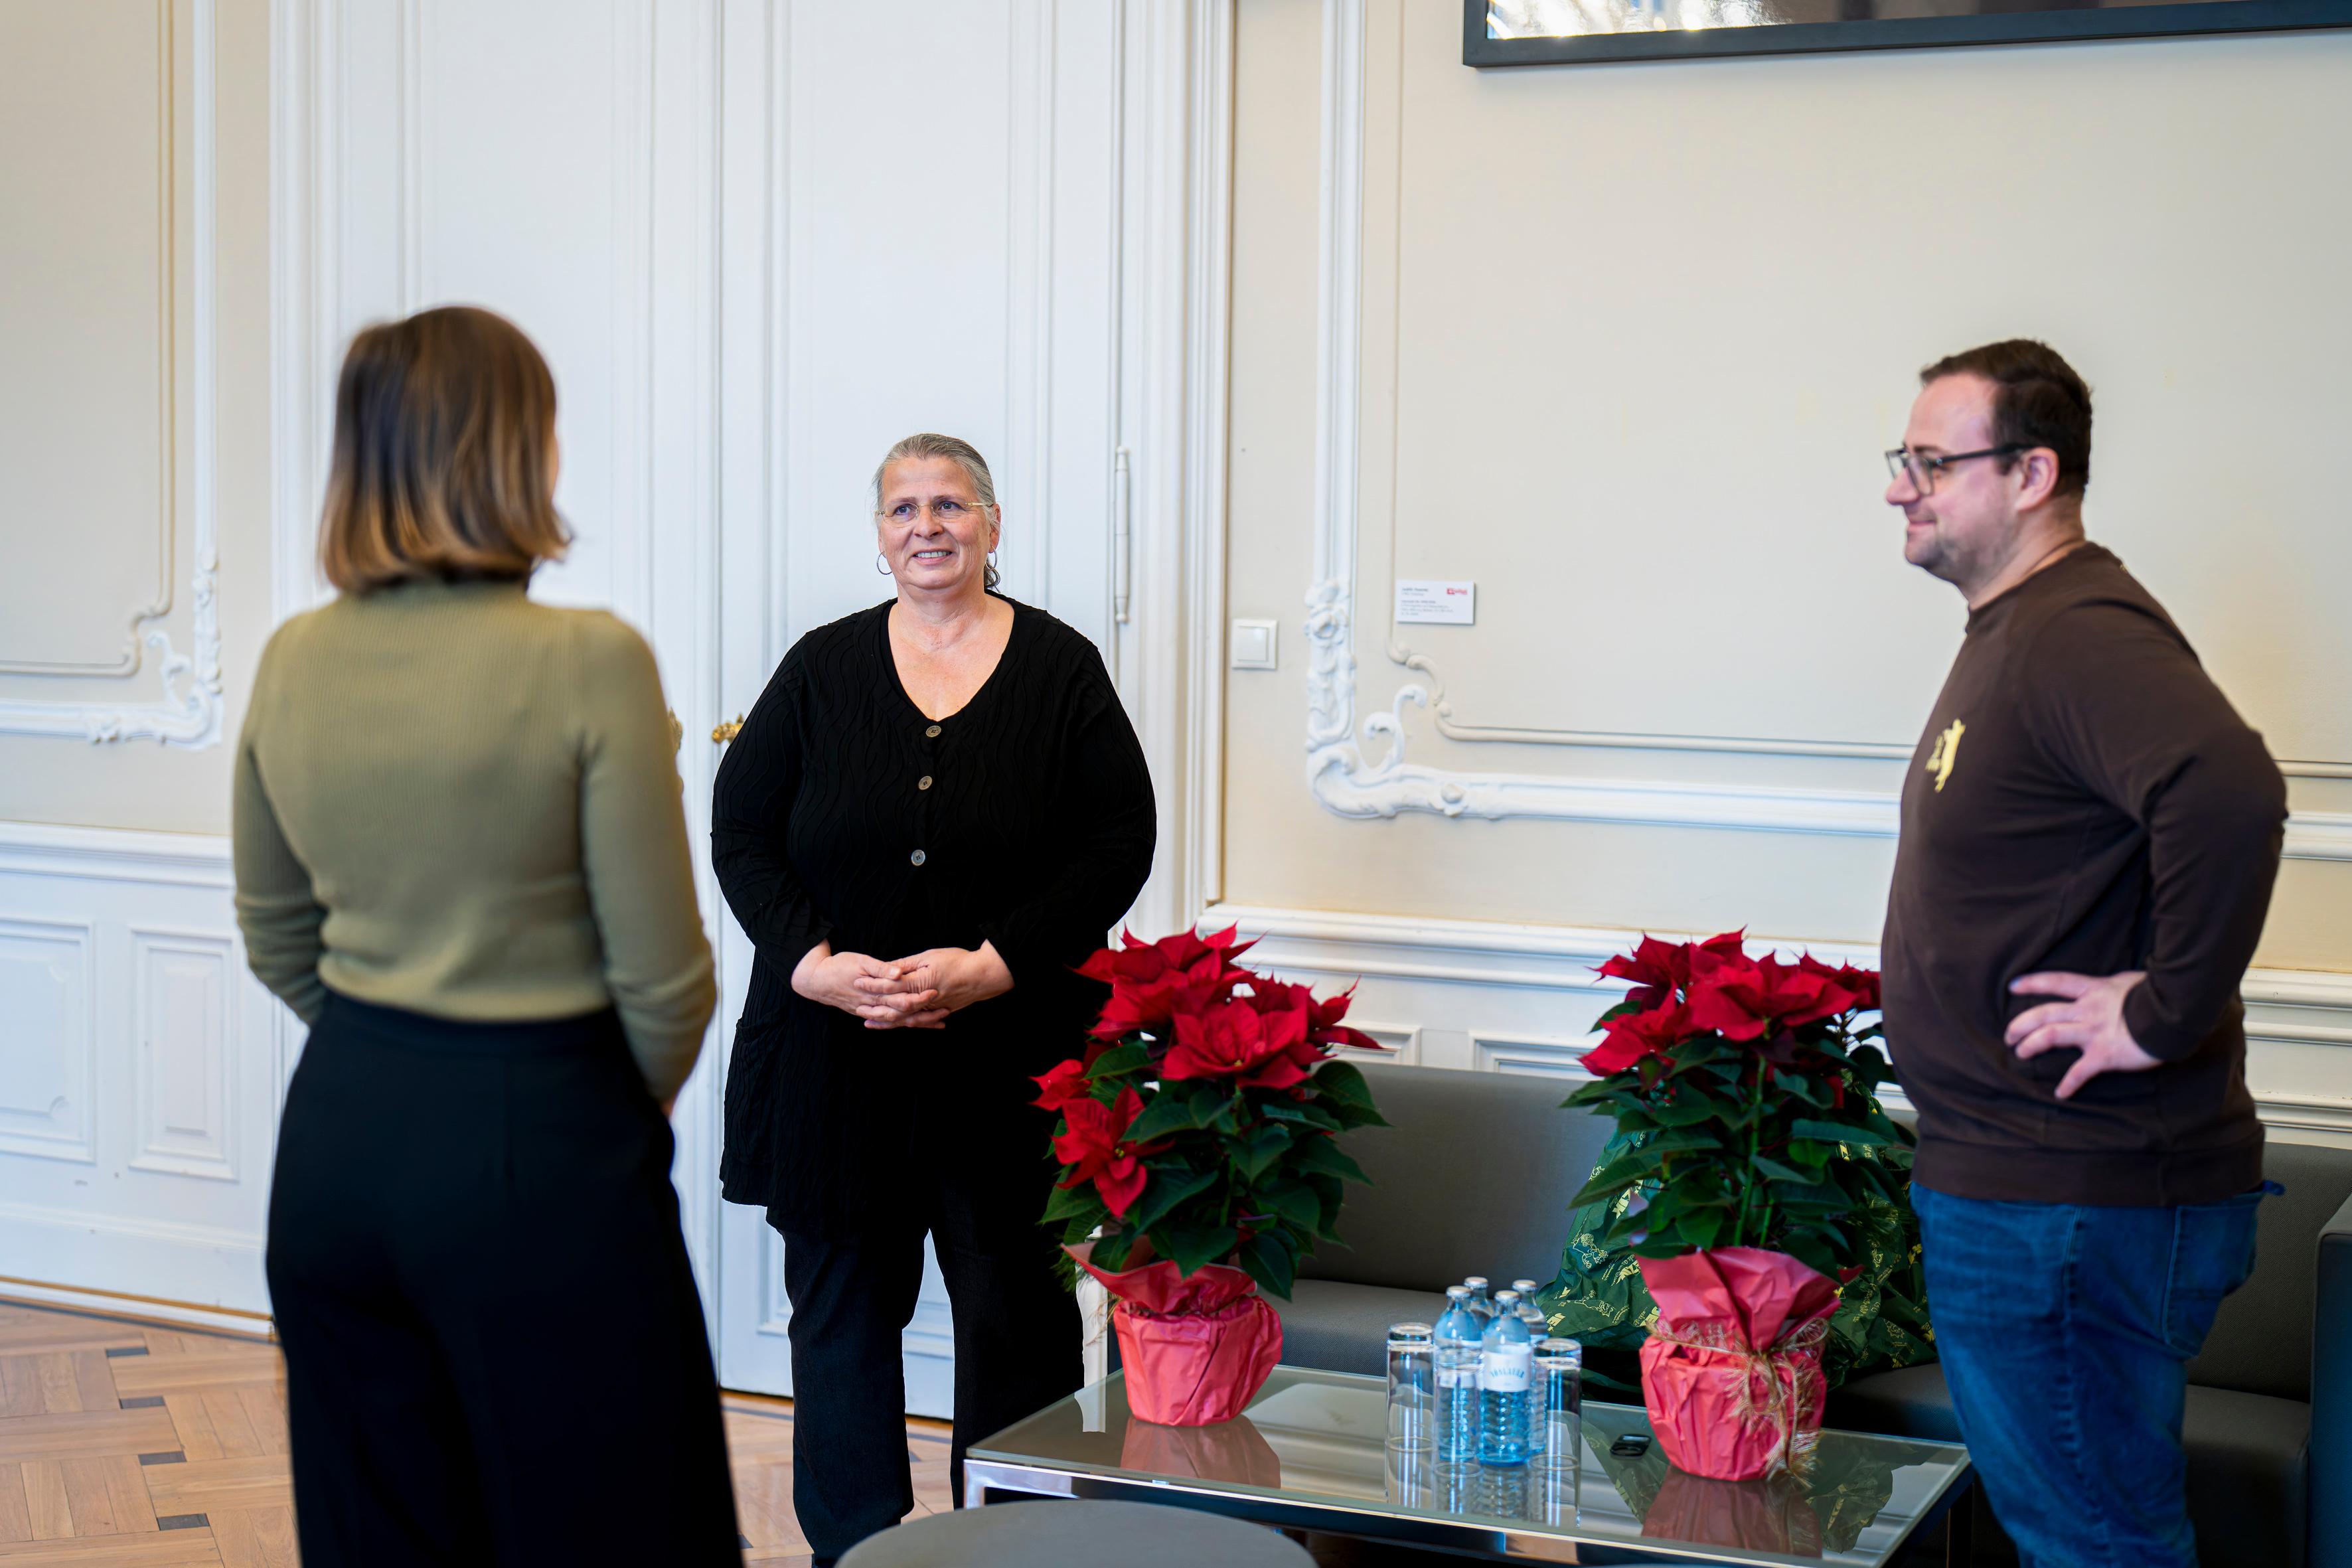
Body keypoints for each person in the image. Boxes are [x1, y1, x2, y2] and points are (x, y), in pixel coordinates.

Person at [235, 306, 739, 1565]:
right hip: (541, 1143)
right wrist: (584, 1113)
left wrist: (393, 1052)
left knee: (382, 1540)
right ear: (516, 450)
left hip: (339, 1134)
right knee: (613, 1534)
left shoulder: (292, 657)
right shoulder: (589, 660)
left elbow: (277, 935)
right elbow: (668, 983)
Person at [1878, 339, 2288, 1566]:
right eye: (1901, 459)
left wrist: (2158, 1013)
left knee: (2097, 1545)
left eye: (1932, 461)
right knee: (2082, 1533)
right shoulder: (2021, 627)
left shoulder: (2074, 630)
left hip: (2067, 1201)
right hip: (2033, 1193)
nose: (1901, 485)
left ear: (2031, 473)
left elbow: (2232, 792)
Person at [712, 432, 1156, 1564]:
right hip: (832, 1057)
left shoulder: (1060, 669)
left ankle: (1011, 1551)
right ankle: (853, 1550)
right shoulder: (819, 668)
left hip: (1009, 1060)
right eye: (903, 507)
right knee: (842, 1323)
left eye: (950, 504)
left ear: (992, 526)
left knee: (1017, 1320)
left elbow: (1118, 841)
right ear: (878, 535)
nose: (928, 526)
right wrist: (809, 959)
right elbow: (742, 828)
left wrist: (996, 961)